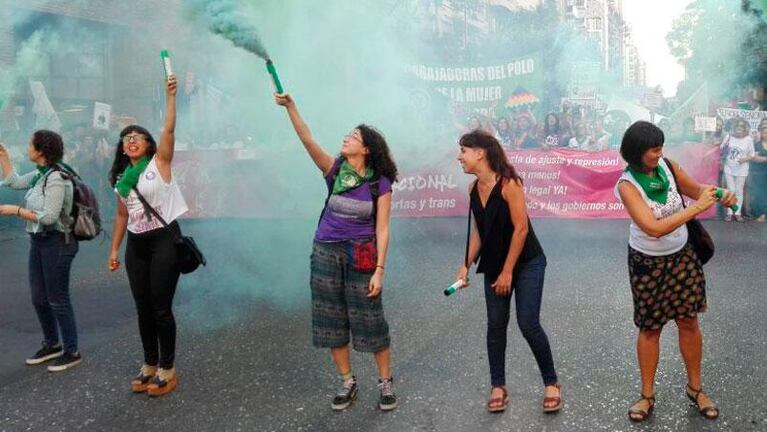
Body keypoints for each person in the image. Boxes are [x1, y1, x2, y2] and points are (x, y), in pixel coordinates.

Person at [274, 92, 399, 412]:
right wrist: (291, 106)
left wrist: (380, 270)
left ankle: (385, 382)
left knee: (371, 319)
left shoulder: (379, 182)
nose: (346, 138)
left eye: (353, 137)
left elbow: (382, 228)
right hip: (325, 252)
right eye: (347, 135)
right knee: (331, 319)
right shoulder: (334, 170)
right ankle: (347, 381)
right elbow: (306, 138)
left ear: (366, 148)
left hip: (362, 254)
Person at [615, 121, 736, 422]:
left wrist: (721, 193)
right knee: (650, 328)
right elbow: (654, 228)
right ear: (636, 153)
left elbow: (697, 190)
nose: (659, 153)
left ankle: (696, 389)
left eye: (660, 147)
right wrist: (698, 209)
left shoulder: (668, 165)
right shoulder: (627, 185)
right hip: (647, 263)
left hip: (682, 256)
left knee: (688, 321)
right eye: (653, 149)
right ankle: (646, 395)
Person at [455, 130, 562, 414]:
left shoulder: (509, 185)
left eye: (463, 150)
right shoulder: (473, 189)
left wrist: (507, 272)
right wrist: (465, 265)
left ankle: (551, 383)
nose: (459, 157)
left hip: (527, 262)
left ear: (480, 153)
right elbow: (480, 231)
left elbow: (521, 229)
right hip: (495, 264)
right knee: (495, 325)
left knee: (528, 323)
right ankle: (498, 386)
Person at [108, 75, 187, 397]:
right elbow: (122, 214)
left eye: (138, 136)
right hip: (136, 244)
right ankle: (149, 364)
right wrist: (114, 250)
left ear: (149, 144)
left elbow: (168, 129)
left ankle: (168, 367)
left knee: (160, 307)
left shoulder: (160, 162)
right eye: (127, 137)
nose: (132, 139)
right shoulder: (119, 177)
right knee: (142, 306)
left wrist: (171, 97)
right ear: (123, 147)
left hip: (163, 240)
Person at [0, 130, 82, 372]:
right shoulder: (40, 174)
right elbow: (14, 182)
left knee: (58, 299)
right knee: (39, 298)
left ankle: (71, 350)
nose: (27, 147)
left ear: (41, 151)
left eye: (30, 144)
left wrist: (15, 211)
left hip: (57, 241)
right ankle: (52, 344)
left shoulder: (56, 178)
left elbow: (49, 217)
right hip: (39, 241)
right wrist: (4, 157)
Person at [720, 119, 755, 221]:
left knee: (739, 191)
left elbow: (752, 154)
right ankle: (730, 212)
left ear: (745, 129)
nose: (739, 129)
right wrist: (725, 149)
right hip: (729, 167)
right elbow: (722, 148)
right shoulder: (729, 136)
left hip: (742, 169)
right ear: (734, 128)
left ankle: (738, 213)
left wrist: (744, 159)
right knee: (731, 190)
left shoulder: (748, 139)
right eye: (737, 127)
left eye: (741, 127)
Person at [748, 124, 767, 222]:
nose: (766, 134)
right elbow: (754, 158)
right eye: (765, 132)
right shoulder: (756, 145)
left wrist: (762, 158)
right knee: (759, 194)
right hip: (758, 173)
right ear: (761, 134)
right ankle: (761, 214)